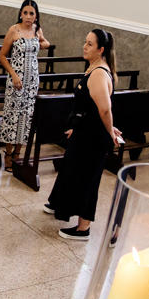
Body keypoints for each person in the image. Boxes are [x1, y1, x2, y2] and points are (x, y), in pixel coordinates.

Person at [44, 30, 124, 240]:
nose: (84, 46)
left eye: (89, 44)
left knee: (87, 179)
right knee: (75, 173)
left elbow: (105, 110)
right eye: (85, 42)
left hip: (93, 138)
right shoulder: (94, 68)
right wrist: (78, 127)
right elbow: (90, 108)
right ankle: (62, 207)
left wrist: (109, 130)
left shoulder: (98, 73)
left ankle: (83, 229)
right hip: (87, 133)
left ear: (101, 50)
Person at [0, 0, 51, 171]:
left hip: (32, 81)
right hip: (16, 80)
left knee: (26, 116)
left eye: (32, 13)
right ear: (21, 13)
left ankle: (18, 155)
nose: (28, 16)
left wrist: (39, 44)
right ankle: (7, 154)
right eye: (25, 12)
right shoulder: (14, 30)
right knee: (12, 115)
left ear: (36, 16)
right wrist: (13, 74)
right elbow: (2, 56)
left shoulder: (37, 30)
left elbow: (46, 43)